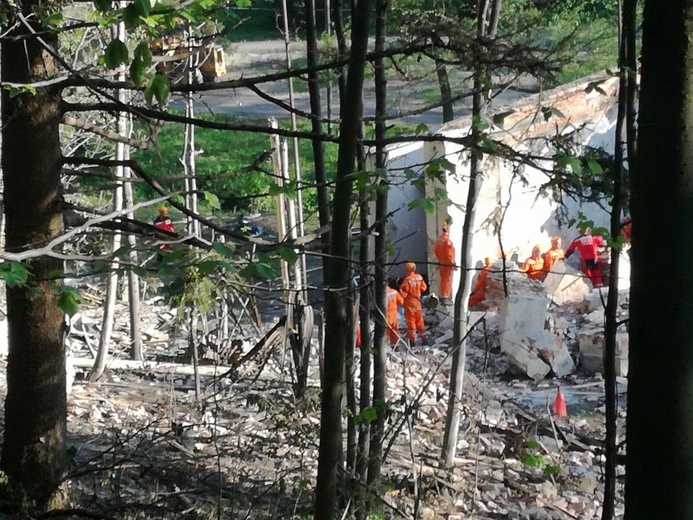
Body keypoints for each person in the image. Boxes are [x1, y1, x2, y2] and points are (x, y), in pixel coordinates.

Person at [399, 262, 428, 345]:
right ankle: (424, 340)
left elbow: (403, 294)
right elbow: (424, 288)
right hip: (418, 303)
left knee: (411, 323)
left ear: (406, 269)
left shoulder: (407, 280)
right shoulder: (419, 277)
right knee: (420, 322)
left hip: (409, 304)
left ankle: (412, 342)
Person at [433, 224, 457, 302]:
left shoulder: (439, 239)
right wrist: (453, 263)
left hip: (441, 262)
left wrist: (440, 259)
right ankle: (445, 297)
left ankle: (443, 295)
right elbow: (449, 254)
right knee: (447, 281)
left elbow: (436, 251)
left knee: (443, 280)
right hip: (447, 264)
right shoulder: (447, 241)